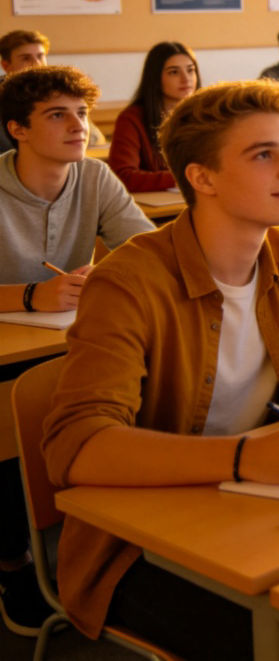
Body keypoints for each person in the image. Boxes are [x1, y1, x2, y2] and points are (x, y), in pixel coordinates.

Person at [41, 79, 279, 659]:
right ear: (203, 177)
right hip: (142, 547)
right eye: (264, 154)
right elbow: (78, 447)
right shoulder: (128, 282)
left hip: (269, 511)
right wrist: (246, 457)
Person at [0, 65, 152, 638]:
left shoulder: (95, 177)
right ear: (17, 129)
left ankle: (89, 551)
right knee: (16, 434)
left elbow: (145, 248)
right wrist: (30, 295)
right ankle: (13, 562)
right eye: (58, 115)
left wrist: (111, 277)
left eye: (82, 113)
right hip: (12, 345)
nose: (78, 126)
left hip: (67, 338)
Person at [108, 41, 200, 192]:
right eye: (174, 72)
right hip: (156, 208)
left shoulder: (205, 114)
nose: (186, 79)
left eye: (190, 70)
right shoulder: (132, 118)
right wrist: (186, 177)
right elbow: (123, 176)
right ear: (155, 78)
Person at [0, 28, 103, 153]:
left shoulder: (59, 91)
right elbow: (7, 147)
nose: (36, 63)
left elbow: (94, 139)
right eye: (26, 58)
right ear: (6, 65)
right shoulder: (5, 97)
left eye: (40, 56)